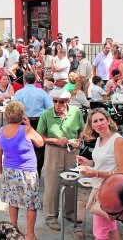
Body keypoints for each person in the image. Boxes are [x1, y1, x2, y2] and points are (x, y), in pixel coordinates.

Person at [37, 89, 84, 231]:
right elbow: (39, 137)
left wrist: (79, 140)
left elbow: (82, 129)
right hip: (53, 150)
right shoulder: (46, 114)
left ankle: (69, 212)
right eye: (55, 101)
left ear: (68, 102)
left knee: (72, 182)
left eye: (61, 102)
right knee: (52, 185)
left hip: (71, 150)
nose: (58, 104)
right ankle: (50, 216)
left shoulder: (76, 112)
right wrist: (55, 141)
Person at [78, 108, 123, 240]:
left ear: (108, 121)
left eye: (102, 119)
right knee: (110, 227)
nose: (99, 123)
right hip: (100, 187)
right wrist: (89, 163)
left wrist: (96, 173)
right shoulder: (100, 139)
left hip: (109, 190)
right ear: (91, 126)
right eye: (95, 121)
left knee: (100, 232)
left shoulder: (117, 140)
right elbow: (103, 162)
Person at [0, 101, 43, 239]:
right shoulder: (26, 130)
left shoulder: (1, 131)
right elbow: (40, 142)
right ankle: (30, 234)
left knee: (13, 201)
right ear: (22, 114)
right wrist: (28, 125)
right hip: (27, 172)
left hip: (9, 171)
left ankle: (14, 229)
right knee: (31, 204)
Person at [12, 72, 53, 176]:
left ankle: (24, 171)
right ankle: (36, 172)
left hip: (23, 120)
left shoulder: (19, 93)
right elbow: (50, 107)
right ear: (35, 81)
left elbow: (13, 108)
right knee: (39, 147)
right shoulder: (41, 92)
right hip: (39, 120)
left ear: (24, 81)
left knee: (23, 146)